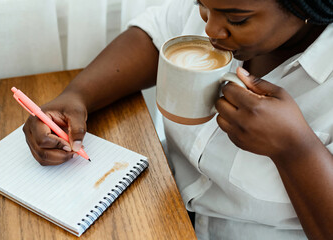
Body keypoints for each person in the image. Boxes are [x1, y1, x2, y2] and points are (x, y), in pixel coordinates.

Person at [23, 0, 333, 239]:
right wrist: (76, 97)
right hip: (163, 205)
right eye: (201, 6)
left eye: (237, 19)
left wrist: (296, 150)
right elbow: (155, 35)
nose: (210, 30)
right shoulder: (218, 11)